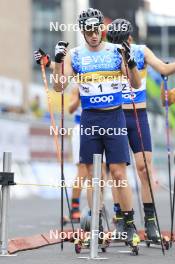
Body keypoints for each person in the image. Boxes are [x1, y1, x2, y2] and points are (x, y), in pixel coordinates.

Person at [53, 8, 141, 247]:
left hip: (114, 117)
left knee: (118, 173)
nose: (93, 35)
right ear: (82, 31)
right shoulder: (76, 55)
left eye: (97, 30)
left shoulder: (115, 51)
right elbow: (59, 87)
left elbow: (135, 83)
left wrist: (131, 63)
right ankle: (96, 223)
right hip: (90, 119)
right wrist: (58, 63)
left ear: (102, 29)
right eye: (89, 31)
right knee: (94, 176)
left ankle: (128, 223)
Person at [107, 18, 175, 242]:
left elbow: (164, 69)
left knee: (144, 169)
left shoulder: (140, 50)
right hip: (115, 115)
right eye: (114, 40)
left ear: (129, 37)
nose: (119, 44)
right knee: (117, 172)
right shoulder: (106, 53)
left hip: (139, 115)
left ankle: (150, 223)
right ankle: (121, 220)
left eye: (122, 40)